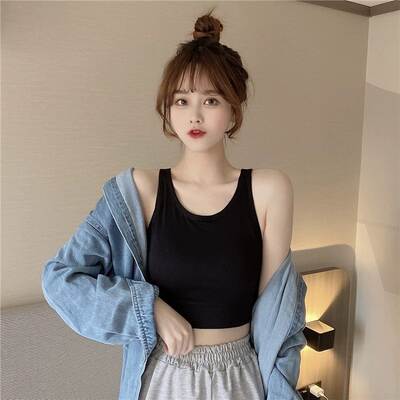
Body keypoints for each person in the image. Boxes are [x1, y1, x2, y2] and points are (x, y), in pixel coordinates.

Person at [134, 8, 294, 400]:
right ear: (168, 109)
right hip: (165, 377)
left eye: (210, 100)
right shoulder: (142, 189)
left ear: (233, 109)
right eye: (181, 100)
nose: (194, 115)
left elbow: (276, 314)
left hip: (240, 376)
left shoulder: (270, 190)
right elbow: (66, 278)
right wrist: (149, 307)